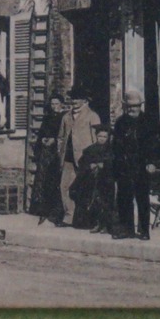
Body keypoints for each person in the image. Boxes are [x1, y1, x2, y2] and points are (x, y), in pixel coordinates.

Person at [111, 88, 160, 240]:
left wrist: (152, 162)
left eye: (135, 106)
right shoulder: (121, 122)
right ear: (125, 107)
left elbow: (157, 144)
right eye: (129, 106)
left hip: (142, 165)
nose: (132, 109)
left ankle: (144, 230)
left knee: (142, 198)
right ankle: (127, 229)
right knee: (124, 198)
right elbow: (116, 145)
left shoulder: (150, 122)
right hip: (124, 165)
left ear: (140, 106)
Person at [57, 88, 101, 226]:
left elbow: (96, 139)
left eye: (78, 99)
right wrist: (60, 153)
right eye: (73, 99)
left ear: (85, 101)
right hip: (68, 157)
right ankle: (68, 216)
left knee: (85, 188)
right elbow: (61, 137)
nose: (75, 101)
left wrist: (95, 158)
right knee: (64, 186)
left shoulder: (92, 116)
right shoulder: (66, 117)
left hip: (84, 158)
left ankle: (85, 219)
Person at [30, 94, 67, 225]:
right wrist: (43, 139)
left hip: (57, 154)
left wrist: (54, 140)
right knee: (43, 180)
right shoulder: (47, 118)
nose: (54, 107)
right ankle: (42, 210)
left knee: (56, 181)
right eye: (52, 104)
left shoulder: (65, 117)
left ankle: (57, 211)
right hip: (46, 154)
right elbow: (42, 132)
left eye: (57, 104)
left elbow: (65, 135)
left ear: (62, 104)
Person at [72, 123, 115, 232]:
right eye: (100, 136)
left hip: (106, 180)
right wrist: (89, 166)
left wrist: (104, 165)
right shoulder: (90, 149)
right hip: (91, 180)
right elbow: (82, 162)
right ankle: (95, 223)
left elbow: (115, 164)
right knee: (92, 200)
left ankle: (106, 225)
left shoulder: (111, 150)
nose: (102, 139)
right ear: (96, 136)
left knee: (105, 200)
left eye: (105, 137)